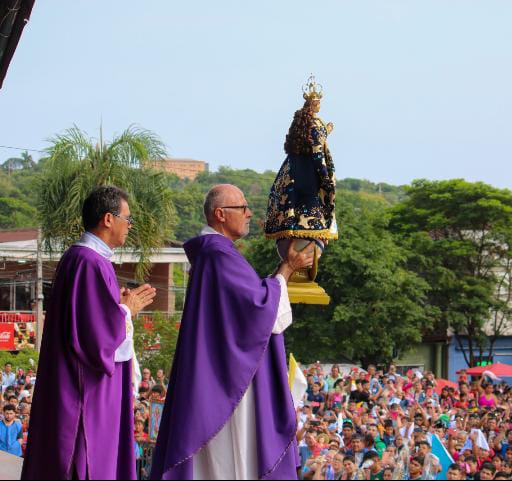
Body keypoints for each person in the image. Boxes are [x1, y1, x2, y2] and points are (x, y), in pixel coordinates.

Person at [151, 184, 315, 480]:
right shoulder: (219, 256)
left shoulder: (213, 255)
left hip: (216, 375)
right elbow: (259, 309)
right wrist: (287, 269)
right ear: (220, 214)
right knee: (236, 460)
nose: (249, 213)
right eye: (242, 207)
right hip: (229, 383)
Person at [22, 186, 157, 480]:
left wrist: (117, 307)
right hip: (82, 392)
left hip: (74, 384)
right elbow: (96, 339)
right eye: (127, 219)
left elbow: (88, 318)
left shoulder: (85, 259)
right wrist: (126, 311)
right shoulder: (90, 262)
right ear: (108, 219)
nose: (129, 226)